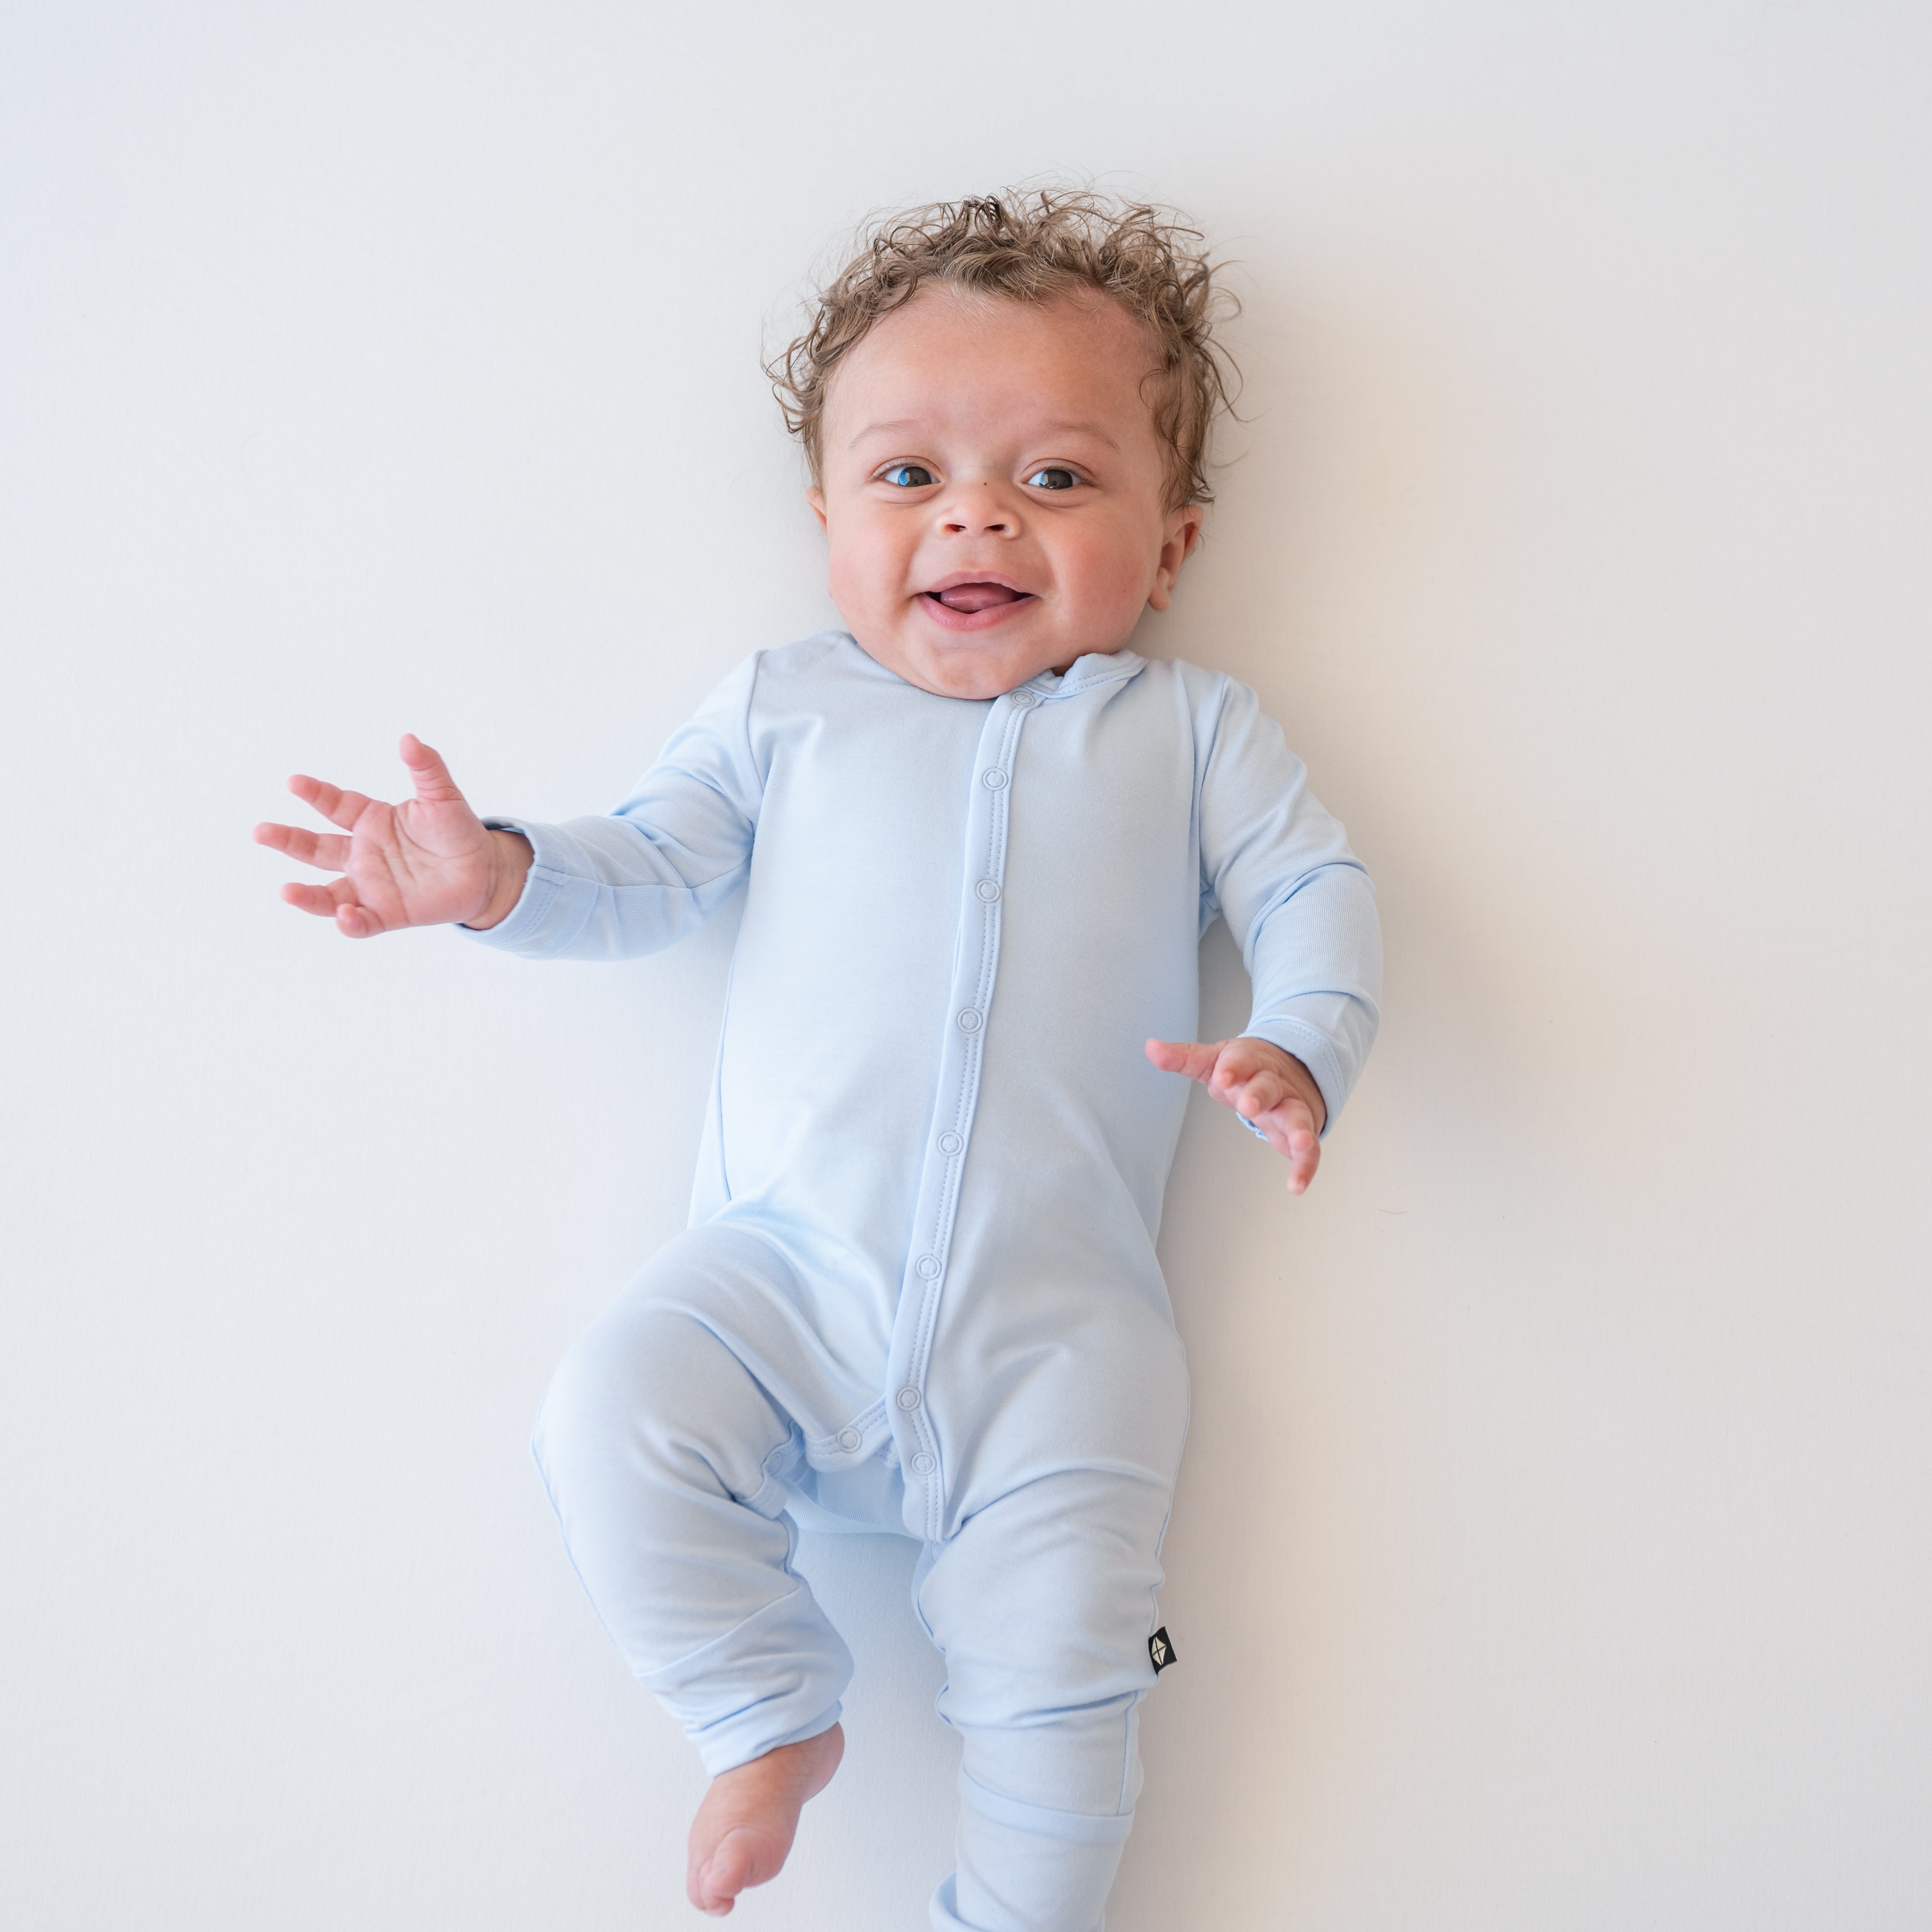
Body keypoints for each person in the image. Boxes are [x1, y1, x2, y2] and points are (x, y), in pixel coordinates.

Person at [254, 191, 1382, 1932]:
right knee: (608, 1408)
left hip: (1058, 1337)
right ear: (828, 521)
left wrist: (1300, 1039)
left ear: (1173, 548)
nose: (979, 514)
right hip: (781, 1279)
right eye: (909, 475)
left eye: (1059, 479)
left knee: (1072, 1668)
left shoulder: (1190, 731)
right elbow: (651, 866)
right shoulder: (786, 710)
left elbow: (1313, 888)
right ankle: (763, 1707)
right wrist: (501, 876)